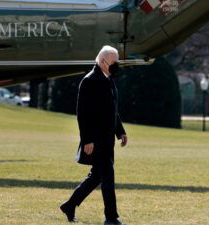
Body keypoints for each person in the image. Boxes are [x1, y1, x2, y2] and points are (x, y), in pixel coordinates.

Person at [60, 45, 128, 225]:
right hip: (95, 140)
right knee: (107, 177)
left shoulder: (109, 78)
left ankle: (69, 205)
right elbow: (82, 114)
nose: (116, 65)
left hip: (107, 140)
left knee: (97, 176)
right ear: (103, 61)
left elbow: (112, 109)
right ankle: (111, 218)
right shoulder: (89, 81)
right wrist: (87, 140)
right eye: (114, 62)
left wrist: (120, 131)